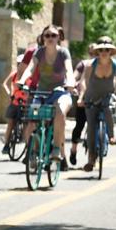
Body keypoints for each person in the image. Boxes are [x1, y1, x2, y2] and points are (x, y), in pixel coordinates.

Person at [17, 25, 75, 165]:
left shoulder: (63, 53)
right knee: (32, 118)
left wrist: (71, 83)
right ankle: (33, 150)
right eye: (47, 35)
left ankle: (56, 149)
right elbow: (30, 68)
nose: (50, 38)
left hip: (60, 92)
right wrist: (22, 80)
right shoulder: (39, 52)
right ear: (43, 38)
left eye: (53, 35)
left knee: (60, 111)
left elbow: (69, 70)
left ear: (58, 37)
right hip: (41, 93)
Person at [75, 35, 116, 172]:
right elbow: (84, 82)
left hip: (107, 96)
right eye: (101, 49)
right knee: (91, 126)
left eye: (107, 50)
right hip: (91, 97)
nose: (104, 52)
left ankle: (111, 136)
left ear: (111, 51)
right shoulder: (90, 65)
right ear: (97, 51)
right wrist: (81, 98)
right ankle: (91, 159)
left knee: (107, 109)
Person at [1, 39, 39, 156]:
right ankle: (6, 144)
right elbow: (5, 83)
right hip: (16, 101)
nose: (19, 66)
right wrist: (10, 93)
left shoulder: (29, 75)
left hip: (27, 101)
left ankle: (28, 148)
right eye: (18, 64)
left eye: (21, 64)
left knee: (28, 123)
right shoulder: (15, 74)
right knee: (11, 123)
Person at [68, 43, 96, 167]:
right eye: (91, 53)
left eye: (96, 52)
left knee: (95, 127)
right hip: (83, 98)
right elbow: (75, 76)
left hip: (97, 98)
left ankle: (92, 156)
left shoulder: (103, 64)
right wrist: (73, 84)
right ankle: (73, 150)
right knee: (79, 125)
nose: (94, 55)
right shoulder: (83, 64)